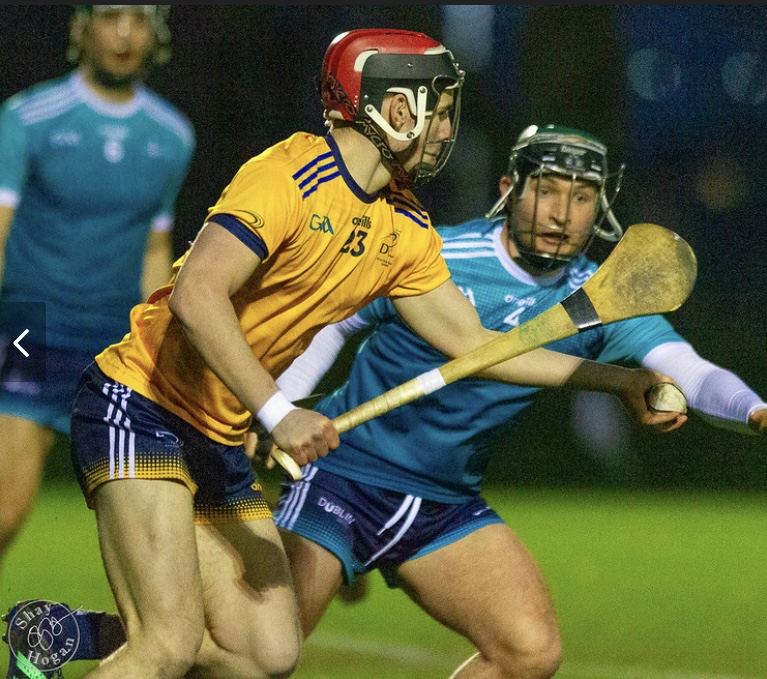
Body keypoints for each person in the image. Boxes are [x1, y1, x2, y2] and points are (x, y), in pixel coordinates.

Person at [3, 30, 691, 679]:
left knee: (267, 654)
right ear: (394, 107)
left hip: (216, 437)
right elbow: (197, 294)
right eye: (437, 111)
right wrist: (279, 413)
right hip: (140, 406)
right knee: (168, 643)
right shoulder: (288, 175)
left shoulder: (405, 225)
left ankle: (66, 634)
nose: (446, 130)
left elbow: (476, 344)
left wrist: (618, 380)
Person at [261, 123, 767, 678]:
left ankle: (351, 570)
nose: (561, 214)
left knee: (530, 654)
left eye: (582, 197)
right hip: (341, 475)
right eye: (546, 190)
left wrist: (752, 410)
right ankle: (341, 560)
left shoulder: (601, 298)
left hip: (444, 502)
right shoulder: (437, 253)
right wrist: (283, 408)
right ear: (509, 189)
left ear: (600, 210)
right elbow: (334, 322)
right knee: (267, 655)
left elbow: (690, 370)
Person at [0, 5, 194, 570]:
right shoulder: (28, 117)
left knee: (140, 519)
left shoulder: (172, 134)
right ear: (81, 28)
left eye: (139, 19)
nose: (125, 33)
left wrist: (160, 344)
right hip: (29, 328)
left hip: (115, 339)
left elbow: (156, 248)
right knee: (6, 506)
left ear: (157, 34)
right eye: (111, 17)